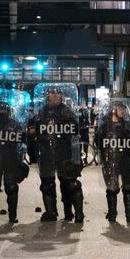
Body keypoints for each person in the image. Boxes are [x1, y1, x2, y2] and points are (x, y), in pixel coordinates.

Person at [29, 86, 85, 223]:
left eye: (57, 93)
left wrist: (76, 159)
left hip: (65, 153)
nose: (54, 95)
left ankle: (74, 213)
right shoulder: (41, 114)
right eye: (51, 93)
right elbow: (32, 135)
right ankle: (51, 212)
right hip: (47, 153)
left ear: (61, 96)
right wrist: (33, 153)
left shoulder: (68, 113)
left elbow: (75, 137)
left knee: (70, 183)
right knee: (47, 184)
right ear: (47, 96)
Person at [95, 100, 130, 223]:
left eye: (124, 108)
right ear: (113, 109)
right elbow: (98, 142)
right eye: (120, 108)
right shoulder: (105, 127)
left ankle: (129, 214)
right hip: (110, 160)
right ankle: (112, 213)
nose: (123, 111)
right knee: (112, 188)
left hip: (126, 160)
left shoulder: (128, 126)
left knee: (128, 188)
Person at [0, 100, 29, 223]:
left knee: (10, 188)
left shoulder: (12, 125)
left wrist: (21, 158)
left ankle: (8, 216)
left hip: (9, 159)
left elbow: (22, 142)